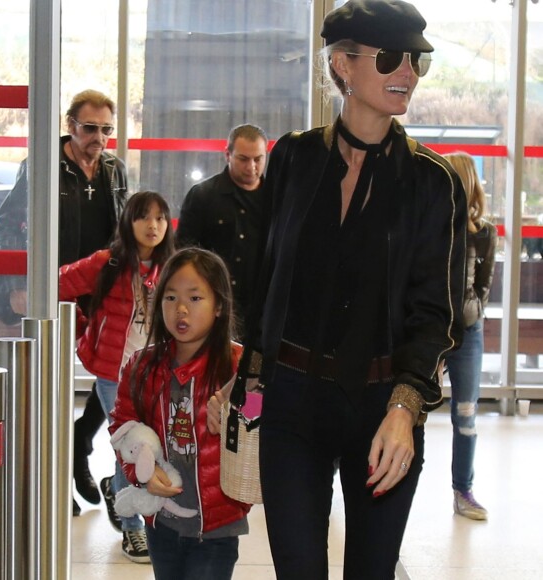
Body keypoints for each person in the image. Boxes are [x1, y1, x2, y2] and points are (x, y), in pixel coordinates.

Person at [208, 1, 467, 578]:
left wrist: (407, 407)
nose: (409, 73)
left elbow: (437, 314)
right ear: (344, 66)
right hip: (292, 402)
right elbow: (263, 280)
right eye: (393, 58)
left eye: (418, 62)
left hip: (383, 406)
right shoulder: (295, 157)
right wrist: (245, 380)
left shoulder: (433, 182)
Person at [0, 89, 128, 516]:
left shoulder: (114, 169)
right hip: (57, 289)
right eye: (90, 128)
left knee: (111, 379)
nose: (99, 138)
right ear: (71, 126)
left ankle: (79, 443)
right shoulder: (43, 166)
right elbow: (6, 227)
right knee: (48, 385)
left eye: (107, 129)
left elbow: (124, 228)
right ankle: (51, 479)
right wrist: (19, 288)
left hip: (100, 291)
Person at [110, 248, 250, 580]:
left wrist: (238, 413)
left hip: (216, 526)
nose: (181, 309)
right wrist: (140, 471)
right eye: (170, 297)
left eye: (195, 297)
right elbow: (122, 427)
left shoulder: (239, 366)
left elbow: (259, 417)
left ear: (219, 306)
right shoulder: (141, 366)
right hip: (161, 522)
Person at [59, 191, 174, 562]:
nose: (153, 225)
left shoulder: (172, 265)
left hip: (156, 372)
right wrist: (84, 329)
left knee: (147, 444)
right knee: (132, 444)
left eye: (160, 218)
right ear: (129, 222)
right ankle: (133, 529)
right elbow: (59, 283)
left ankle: (119, 490)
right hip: (114, 374)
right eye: (144, 217)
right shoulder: (107, 263)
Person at [443, 153, 497, 521]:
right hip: (429, 329)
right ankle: (338, 477)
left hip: (467, 331)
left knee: (465, 414)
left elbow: (484, 284)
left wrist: (471, 312)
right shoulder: (431, 225)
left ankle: (463, 490)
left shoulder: (484, 232)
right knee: (398, 408)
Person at [175, 124, 268, 336]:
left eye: (258, 159)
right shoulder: (203, 196)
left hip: (261, 312)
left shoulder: (276, 200)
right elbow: (184, 254)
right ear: (228, 155)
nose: (251, 167)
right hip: (213, 308)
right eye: (243, 159)